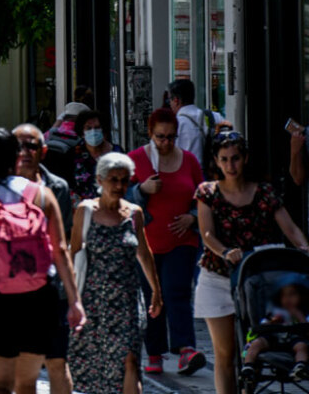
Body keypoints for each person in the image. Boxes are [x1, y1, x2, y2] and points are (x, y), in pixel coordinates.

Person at [0, 129, 85, 394]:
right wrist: (74, 301)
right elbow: (60, 250)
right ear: (16, 159)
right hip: (39, 298)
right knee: (27, 384)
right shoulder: (42, 195)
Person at [196, 131, 309, 394]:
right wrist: (226, 252)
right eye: (224, 159)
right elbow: (207, 234)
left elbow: (290, 228)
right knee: (225, 352)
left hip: (259, 278)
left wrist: (304, 248)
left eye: (235, 158)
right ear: (216, 161)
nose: (230, 165)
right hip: (220, 275)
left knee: (262, 340)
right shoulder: (208, 192)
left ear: (245, 158)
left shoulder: (264, 191)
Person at [67, 152, 163, 394]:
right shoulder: (85, 211)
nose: (119, 186)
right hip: (93, 301)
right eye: (113, 180)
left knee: (130, 361)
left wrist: (156, 292)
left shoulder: (134, 214)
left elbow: (144, 252)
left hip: (128, 302)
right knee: (98, 367)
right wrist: (69, 298)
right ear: (100, 181)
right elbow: (72, 253)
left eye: (124, 180)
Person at [127, 107, 207, 376]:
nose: (166, 143)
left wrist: (193, 217)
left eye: (171, 137)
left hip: (182, 240)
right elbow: (119, 196)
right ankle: (154, 352)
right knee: (152, 296)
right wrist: (141, 189)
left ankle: (186, 349)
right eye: (160, 137)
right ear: (150, 134)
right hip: (146, 242)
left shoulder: (189, 161)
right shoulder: (136, 159)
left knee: (177, 291)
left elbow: (204, 195)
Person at [12, 123, 75, 394]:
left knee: (57, 363)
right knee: (23, 368)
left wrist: (74, 297)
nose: (25, 152)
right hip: (11, 291)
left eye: (32, 146)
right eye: (19, 147)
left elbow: (64, 242)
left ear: (44, 151)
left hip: (51, 291)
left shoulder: (57, 188)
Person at [241, 282, 309, 386]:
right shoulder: (273, 311)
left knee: (302, 347)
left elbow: (305, 325)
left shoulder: (301, 312)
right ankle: (248, 366)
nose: (288, 300)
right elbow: (262, 325)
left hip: (293, 336)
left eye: (293, 295)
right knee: (257, 343)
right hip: (271, 336)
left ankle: (300, 365)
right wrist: (273, 321)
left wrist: (298, 315)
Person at [167, 79, 227, 172]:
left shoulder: (175, 124)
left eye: (169, 99)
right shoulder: (214, 117)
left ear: (176, 100)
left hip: (186, 175)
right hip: (212, 174)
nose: (169, 104)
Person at [72, 110, 123, 204]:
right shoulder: (74, 154)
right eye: (88, 128)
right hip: (83, 211)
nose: (93, 131)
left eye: (97, 128)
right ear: (82, 132)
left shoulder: (117, 152)